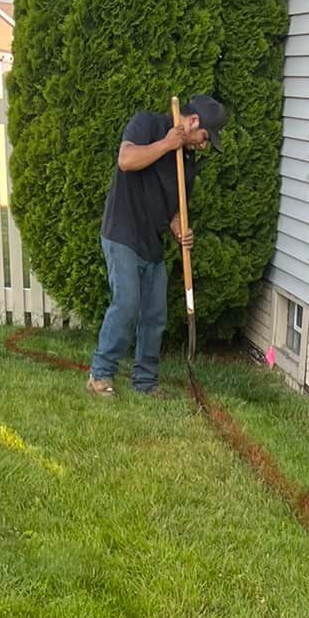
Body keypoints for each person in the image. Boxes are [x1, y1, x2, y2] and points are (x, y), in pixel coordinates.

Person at [87, 96, 228, 398]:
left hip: (152, 242)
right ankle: (100, 374)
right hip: (123, 232)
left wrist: (180, 230)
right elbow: (126, 160)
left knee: (155, 315)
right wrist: (166, 144)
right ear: (193, 122)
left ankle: (146, 382)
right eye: (205, 137)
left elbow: (173, 210)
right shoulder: (147, 124)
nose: (205, 145)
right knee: (127, 304)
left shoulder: (187, 163)